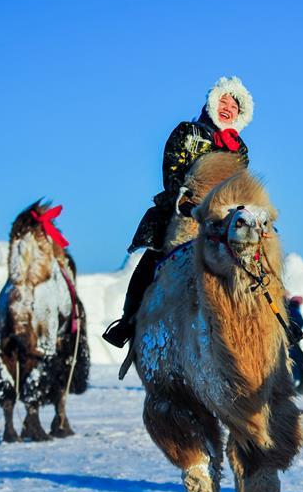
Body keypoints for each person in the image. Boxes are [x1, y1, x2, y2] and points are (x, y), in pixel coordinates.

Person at [103, 76, 254, 348]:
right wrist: (182, 199)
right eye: (224, 100)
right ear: (212, 101)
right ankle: (128, 320)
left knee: (259, 250)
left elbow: (241, 184)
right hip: (185, 208)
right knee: (154, 258)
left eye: (235, 105)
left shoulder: (240, 149)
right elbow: (171, 170)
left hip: (225, 214)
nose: (228, 108)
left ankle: (277, 315)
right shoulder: (187, 132)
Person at [287, 296, 303, 384]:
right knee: (295, 360)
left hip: (291, 340)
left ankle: (294, 380)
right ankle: (295, 380)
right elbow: (299, 322)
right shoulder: (294, 310)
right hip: (293, 340)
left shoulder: (289, 309)